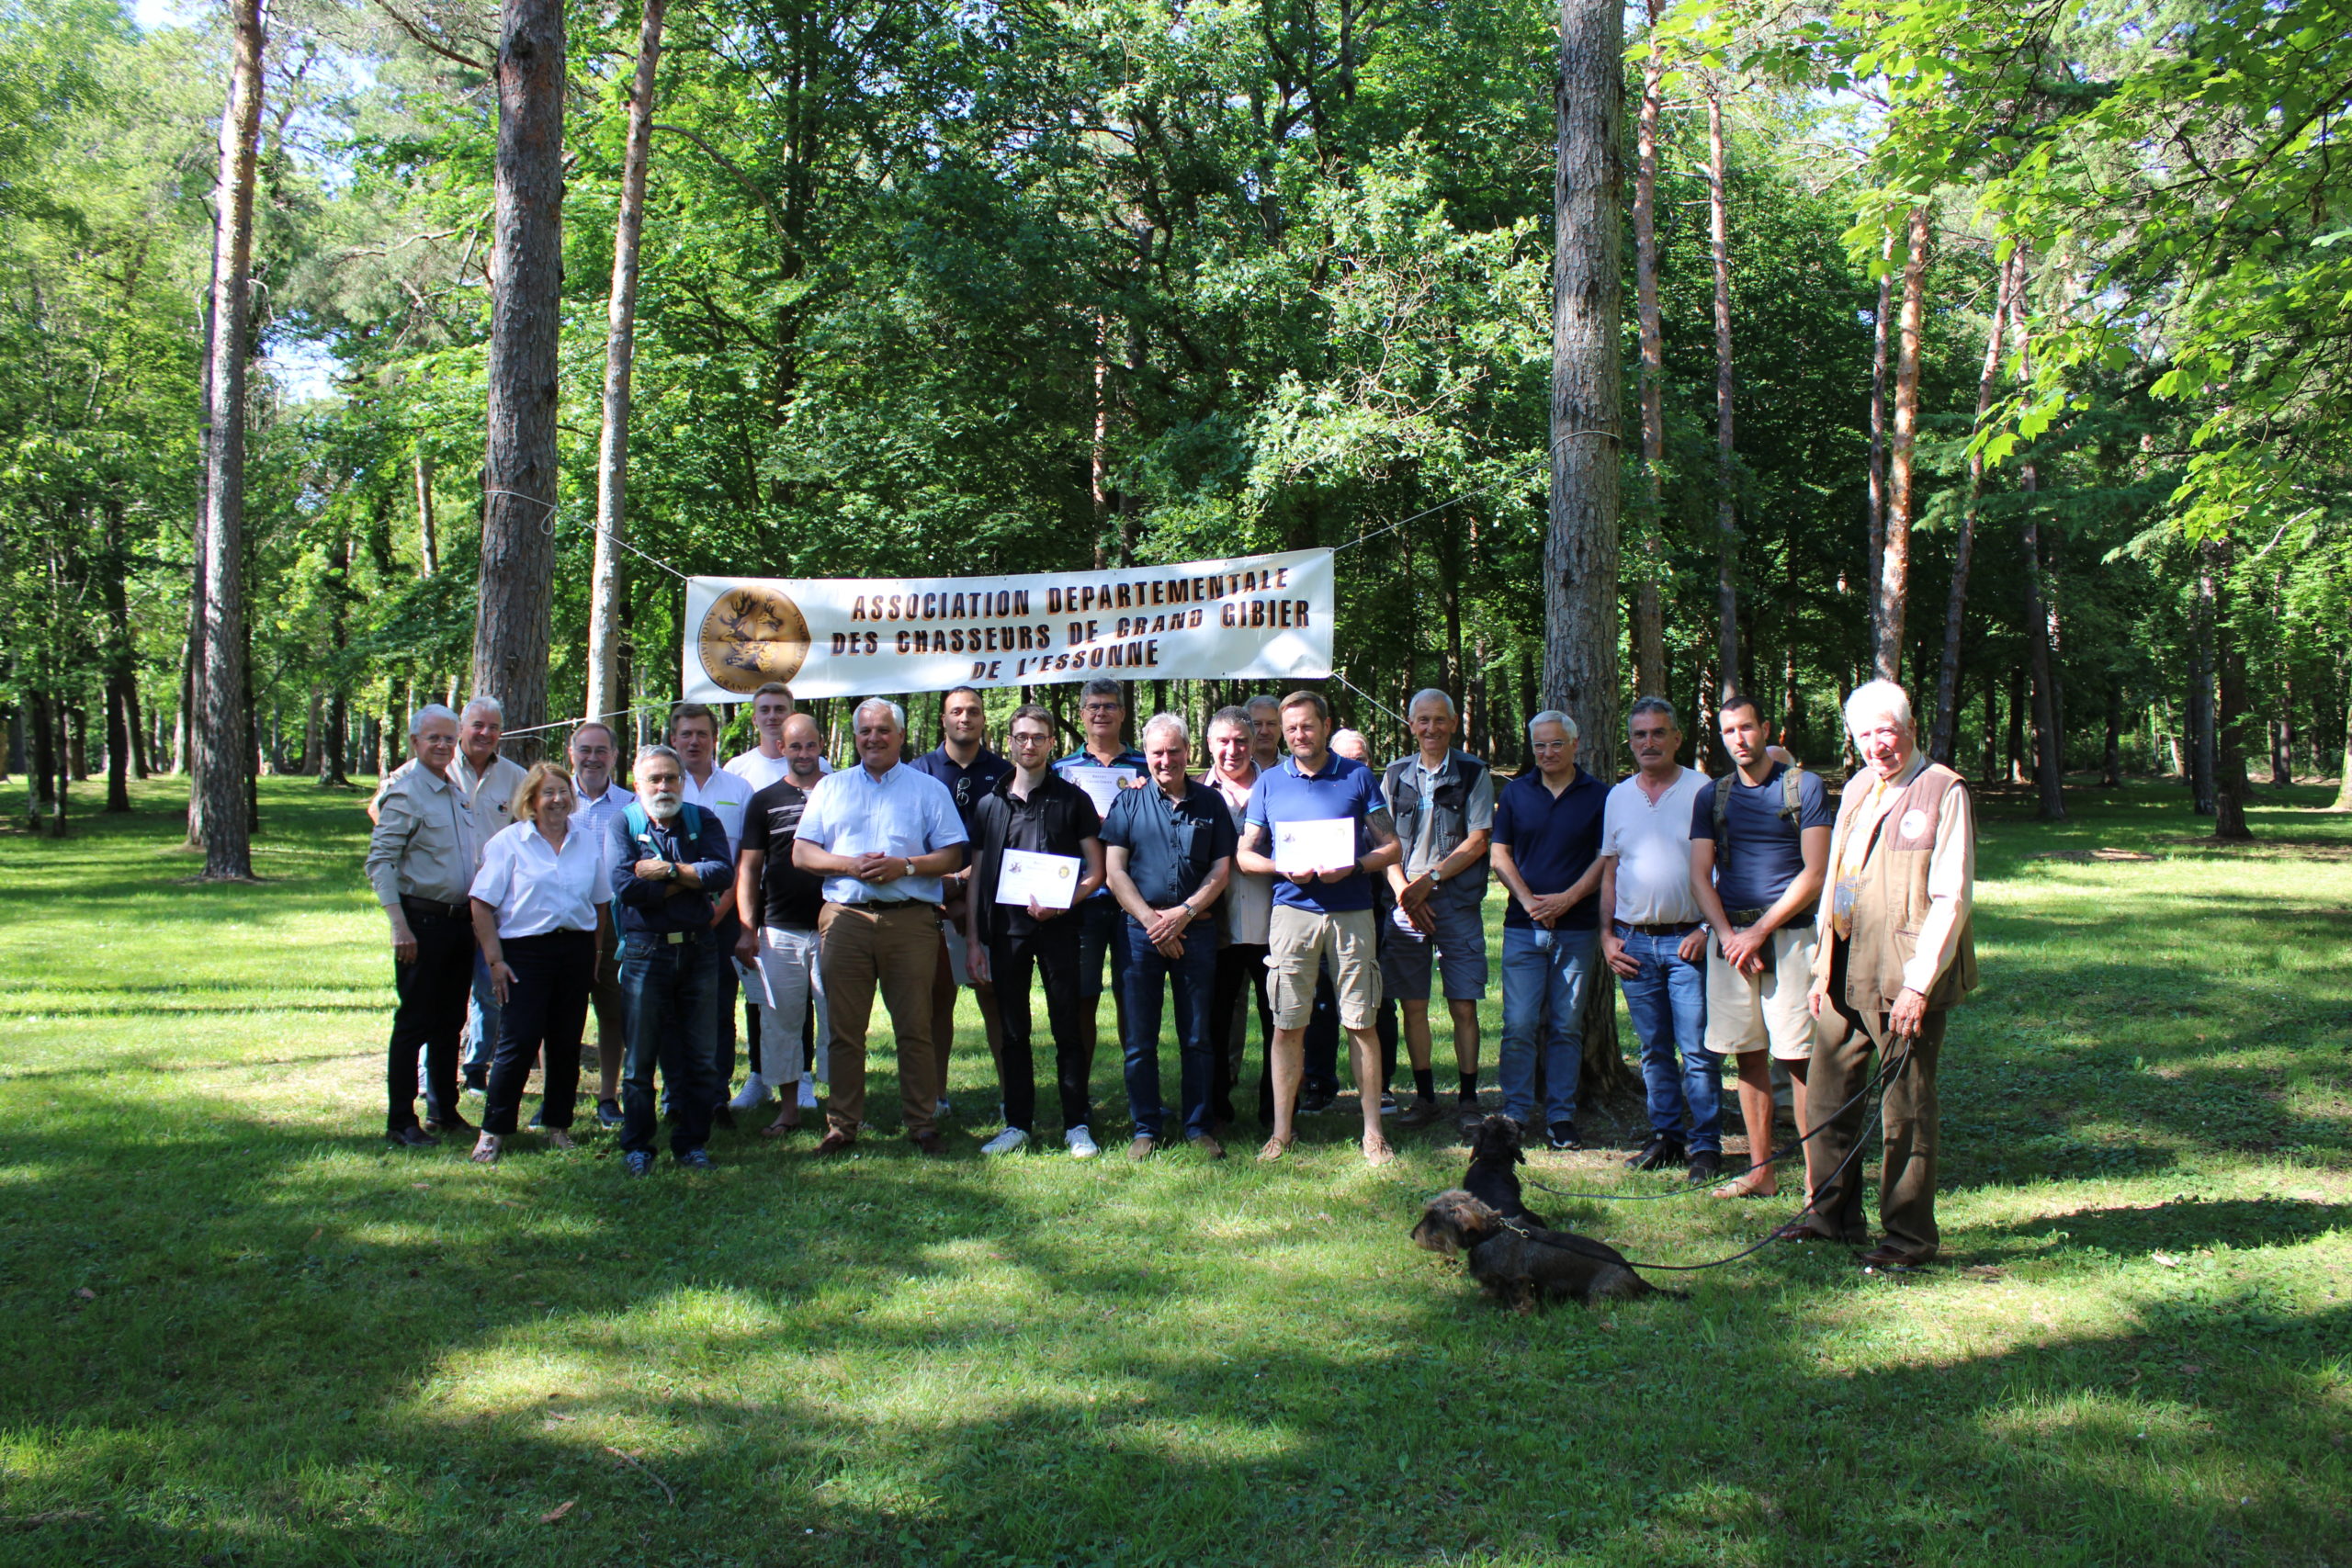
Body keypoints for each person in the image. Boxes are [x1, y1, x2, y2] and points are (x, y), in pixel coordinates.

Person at [1791, 681, 1976, 1269]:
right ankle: (1830, 1217)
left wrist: (1920, 984)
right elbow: (1837, 884)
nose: (1877, 745)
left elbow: (1951, 896)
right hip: (1844, 969)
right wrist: (1821, 966)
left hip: (1902, 977)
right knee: (1825, 1102)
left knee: (1907, 1112)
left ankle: (1908, 1237)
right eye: (1865, 734)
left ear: (1911, 728)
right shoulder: (1858, 790)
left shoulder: (1942, 789)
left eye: (1886, 731)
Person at [792, 698, 969, 1156]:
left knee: (916, 1025)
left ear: (901, 735)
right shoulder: (831, 789)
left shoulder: (928, 789)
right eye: (865, 731)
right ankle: (841, 1125)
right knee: (844, 1029)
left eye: (883, 730)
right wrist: (850, 865)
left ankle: (922, 1122)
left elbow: (953, 855)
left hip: (909, 921)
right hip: (845, 919)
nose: (874, 738)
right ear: (855, 737)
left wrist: (905, 867)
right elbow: (803, 853)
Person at [1233, 690, 1401, 1165]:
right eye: (1291, 730)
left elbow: (1391, 847)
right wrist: (1279, 868)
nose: (1298, 736)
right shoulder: (1269, 783)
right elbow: (1246, 853)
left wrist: (1353, 866)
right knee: (1287, 1023)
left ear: (1326, 726)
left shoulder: (1358, 776)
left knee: (1361, 1020)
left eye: (1307, 726)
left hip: (1350, 911)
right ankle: (1283, 1132)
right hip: (1292, 914)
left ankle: (1373, 1132)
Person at [1689, 693, 1834, 1199]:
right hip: (1732, 946)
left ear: (1766, 729)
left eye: (1747, 728)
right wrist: (1731, 937)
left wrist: (1760, 931)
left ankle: (1820, 1181)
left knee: (1799, 1057)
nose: (1739, 740)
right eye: (1729, 732)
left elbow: (1815, 872)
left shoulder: (1803, 787)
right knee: (1745, 1053)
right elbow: (1700, 876)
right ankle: (1761, 1172)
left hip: (1793, 940)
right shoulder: (1713, 796)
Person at [966, 705, 1106, 1156]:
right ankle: (1017, 1124)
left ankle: (1076, 1124)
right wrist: (974, 939)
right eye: (1021, 736)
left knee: (1067, 1025)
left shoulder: (1072, 799)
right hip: (1006, 933)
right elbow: (978, 874)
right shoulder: (989, 805)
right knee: (1012, 1030)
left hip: (1060, 930)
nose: (1029, 744)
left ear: (1051, 744)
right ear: (1008, 741)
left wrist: (1062, 902)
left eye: (1039, 737)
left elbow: (1097, 872)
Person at [1102, 714, 1236, 1158]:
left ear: (1187, 752)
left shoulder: (1210, 804)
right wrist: (1152, 922)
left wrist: (1183, 913)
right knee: (1140, 1038)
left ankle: (1198, 1127)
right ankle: (1146, 1127)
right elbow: (1114, 870)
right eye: (1157, 752)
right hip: (1139, 936)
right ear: (1147, 754)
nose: (1165, 760)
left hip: (1196, 932)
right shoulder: (1129, 803)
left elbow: (1221, 870)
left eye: (1173, 751)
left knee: (1198, 1036)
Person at [1598, 698, 1719, 1180]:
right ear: (1630, 742)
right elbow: (1610, 871)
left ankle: (1706, 1145)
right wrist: (1606, 936)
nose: (1648, 743)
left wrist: (1707, 929)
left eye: (1658, 733)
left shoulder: (1703, 791)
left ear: (1676, 738)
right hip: (1633, 944)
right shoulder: (1618, 797)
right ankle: (1666, 1136)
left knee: (1697, 1050)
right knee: (1653, 1048)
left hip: (1687, 941)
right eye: (1639, 735)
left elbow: (1723, 868)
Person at [467, 762, 610, 1163]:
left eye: (564, 792)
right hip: (525, 954)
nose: (558, 800)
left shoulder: (584, 842)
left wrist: (594, 954)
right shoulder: (509, 843)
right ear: (530, 800)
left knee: (565, 1044)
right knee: (518, 1042)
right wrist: (495, 961)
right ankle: (493, 1131)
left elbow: (600, 902)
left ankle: (557, 1126)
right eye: (548, 792)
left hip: (576, 952)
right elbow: (480, 904)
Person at [608, 745, 734, 1175]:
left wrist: (665, 870)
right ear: (637, 784)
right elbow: (627, 887)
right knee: (640, 1060)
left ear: (683, 780)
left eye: (671, 778)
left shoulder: (704, 819)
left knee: (702, 1057)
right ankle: (638, 1146)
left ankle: (691, 1144)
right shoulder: (623, 823)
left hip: (699, 948)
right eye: (654, 779)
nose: (664, 786)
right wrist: (691, 876)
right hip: (646, 951)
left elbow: (722, 874)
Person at [1487, 710, 1608, 1151]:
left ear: (1575, 745)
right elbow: (1500, 854)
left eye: (1556, 744)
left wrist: (1568, 899)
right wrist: (1529, 902)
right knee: (1518, 1024)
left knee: (1567, 1026)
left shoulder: (1599, 795)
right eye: (1540, 745)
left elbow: (1605, 857)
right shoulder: (1517, 793)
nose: (1547, 752)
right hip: (1523, 926)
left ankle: (1561, 1116)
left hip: (1577, 927)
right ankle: (1515, 1113)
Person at [365, 704, 481, 1145]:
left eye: (449, 738)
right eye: (433, 738)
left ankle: (443, 1110)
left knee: (450, 1020)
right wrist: (399, 926)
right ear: (414, 742)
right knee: (415, 1021)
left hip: (458, 924)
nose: (442, 745)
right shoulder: (406, 792)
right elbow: (380, 862)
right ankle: (400, 1121)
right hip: (421, 923)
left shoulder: (452, 791)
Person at [1380, 690, 1495, 1127]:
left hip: (1453, 901)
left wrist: (1431, 881)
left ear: (1453, 724)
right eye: (1423, 720)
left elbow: (1478, 839)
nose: (1431, 729)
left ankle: (1469, 1099)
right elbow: (1382, 840)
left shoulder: (1473, 773)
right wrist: (1404, 891)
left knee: (1463, 1004)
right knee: (1412, 1004)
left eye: (1439, 720)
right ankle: (1425, 1097)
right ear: (1411, 725)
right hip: (1406, 900)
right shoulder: (1394, 775)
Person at [909, 685, 1012, 1117]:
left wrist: (967, 878)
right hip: (930, 903)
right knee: (935, 1004)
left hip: (988, 905)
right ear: (944, 720)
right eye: (956, 711)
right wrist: (944, 882)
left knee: (995, 1002)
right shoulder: (918, 770)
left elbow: (1013, 839)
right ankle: (936, 1098)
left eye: (972, 711)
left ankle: (1012, 1098)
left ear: (983, 719)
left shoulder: (1005, 772)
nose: (964, 718)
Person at [735, 712, 831, 1137]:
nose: (804, 754)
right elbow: (749, 869)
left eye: (810, 745)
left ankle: (842, 1108)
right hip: (780, 927)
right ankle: (788, 1109)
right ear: (781, 749)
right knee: (781, 1021)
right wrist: (746, 927)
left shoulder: (838, 793)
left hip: (835, 925)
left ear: (822, 745)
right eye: (795, 746)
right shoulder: (764, 800)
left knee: (839, 1021)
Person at [1053, 677, 1146, 1076]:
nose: (1101, 713)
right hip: (1082, 899)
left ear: (1123, 714)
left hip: (1135, 900)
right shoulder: (1061, 770)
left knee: (1134, 997)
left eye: (1110, 706)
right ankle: (1080, 1095)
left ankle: (1140, 1094)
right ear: (1082, 714)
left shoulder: (1149, 765)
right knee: (1082, 997)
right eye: (1094, 706)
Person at [669, 703, 757, 1122]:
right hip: (669, 918)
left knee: (719, 1008)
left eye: (701, 733)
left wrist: (724, 909)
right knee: (671, 1008)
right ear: (673, 739)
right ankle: (675, 1096)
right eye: (686, 734)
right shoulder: (661, 785)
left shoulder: (739, 790)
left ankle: (716, 1095)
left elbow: (745, 859)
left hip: (722, 919)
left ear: (714, 739)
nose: (694, 741)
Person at [1203, 706, 1274, 1128]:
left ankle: (1276, 1108)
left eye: (1241, 741)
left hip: (1274, 926)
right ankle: (1214, 1106)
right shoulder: (1193, 791)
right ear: (1209, 745)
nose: (1233, 750)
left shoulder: (1279, 788)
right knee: (1213, 1022)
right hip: (1217, 929)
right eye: (1224, 742)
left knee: (1279, 1022)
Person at [569, 722, 634, 1130]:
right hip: (565, 920)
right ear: (571, 752)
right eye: (584, 750)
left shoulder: (630, 803)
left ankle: (609, 1096)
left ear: (614, 755)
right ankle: (558, 1093)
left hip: (614, 919)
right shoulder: (554, 800)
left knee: (613, 1012)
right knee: (561, 1013)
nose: (592, 758)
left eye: (601, 751)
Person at [1244, 694, 1283, 773]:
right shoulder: (1235, 769)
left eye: (1271, 724)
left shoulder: (1295, 768)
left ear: (1281, 728)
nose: (1264, 731)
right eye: (1257, 724)